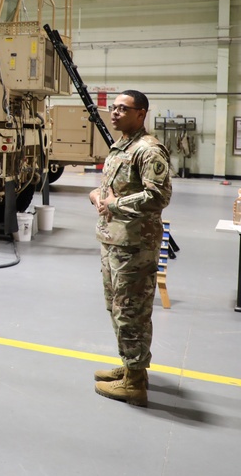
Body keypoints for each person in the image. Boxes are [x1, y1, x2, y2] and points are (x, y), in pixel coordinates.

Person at [89, 89, 171, 407]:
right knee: (117, 308)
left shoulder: (148, 150)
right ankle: (130, 366)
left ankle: (135, 383)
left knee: (132, 312)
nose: (115, 113)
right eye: (113, 108)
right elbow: (108, 188)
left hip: (134, 244)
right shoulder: (120, 147)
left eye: (123, 109)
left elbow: (159, 196)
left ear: (141, 113)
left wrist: (116, 203)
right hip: (113, 240)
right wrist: (98, 196)